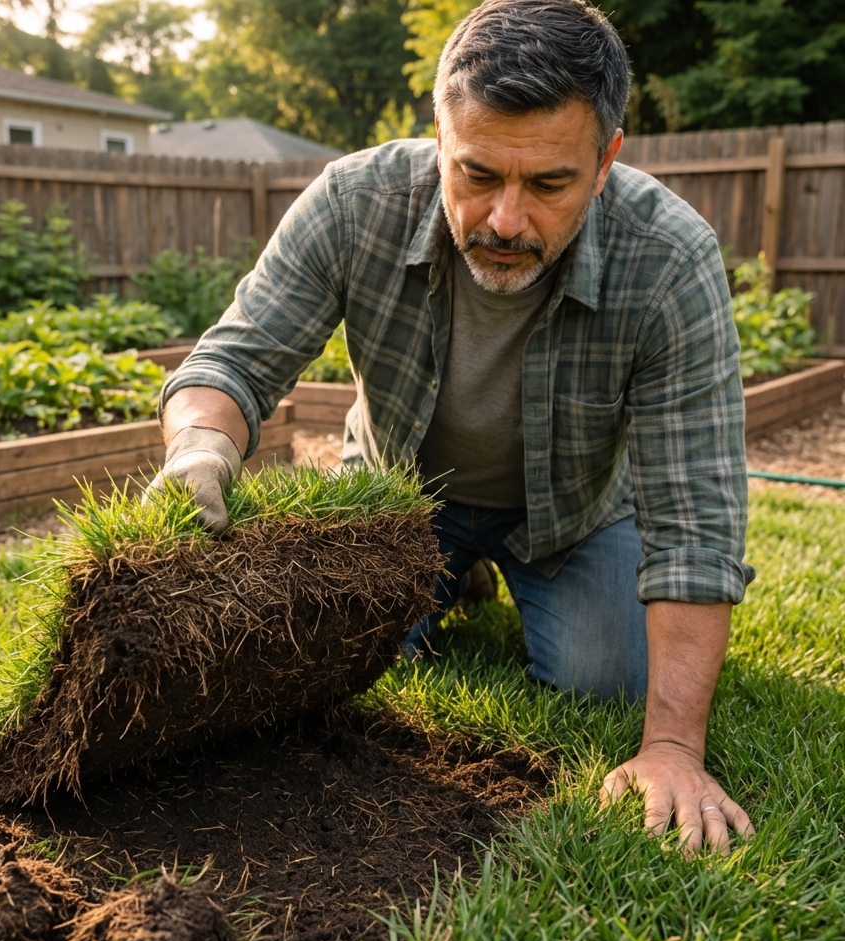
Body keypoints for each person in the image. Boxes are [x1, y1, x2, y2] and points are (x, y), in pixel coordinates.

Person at [150, 0, 756, 854]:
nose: (506, 220)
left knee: (610, 685)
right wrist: (202, 445)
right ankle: (450, 571)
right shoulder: (353, 202)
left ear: (606, 158)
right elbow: (233, 363)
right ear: (440, 135)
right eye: (476, 173)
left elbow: (696, 519)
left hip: (576, 518)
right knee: (326, 665)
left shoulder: (669, 258)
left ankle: (488, 574)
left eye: (548, 184)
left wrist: (671, 747)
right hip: (402, 495)